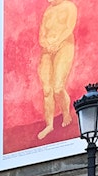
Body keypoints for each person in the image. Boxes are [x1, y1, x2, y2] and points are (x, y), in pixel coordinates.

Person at [36, 0, 77, 140]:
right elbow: (42, 32)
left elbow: (68, 28)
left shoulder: (69, 7)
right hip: (47, 49)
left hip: (64, 47)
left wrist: (57, 42)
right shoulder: (48, 11)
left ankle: (65, 112)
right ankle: (49, 125)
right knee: (47, 90)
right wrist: (46, 43)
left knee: (58, 87)